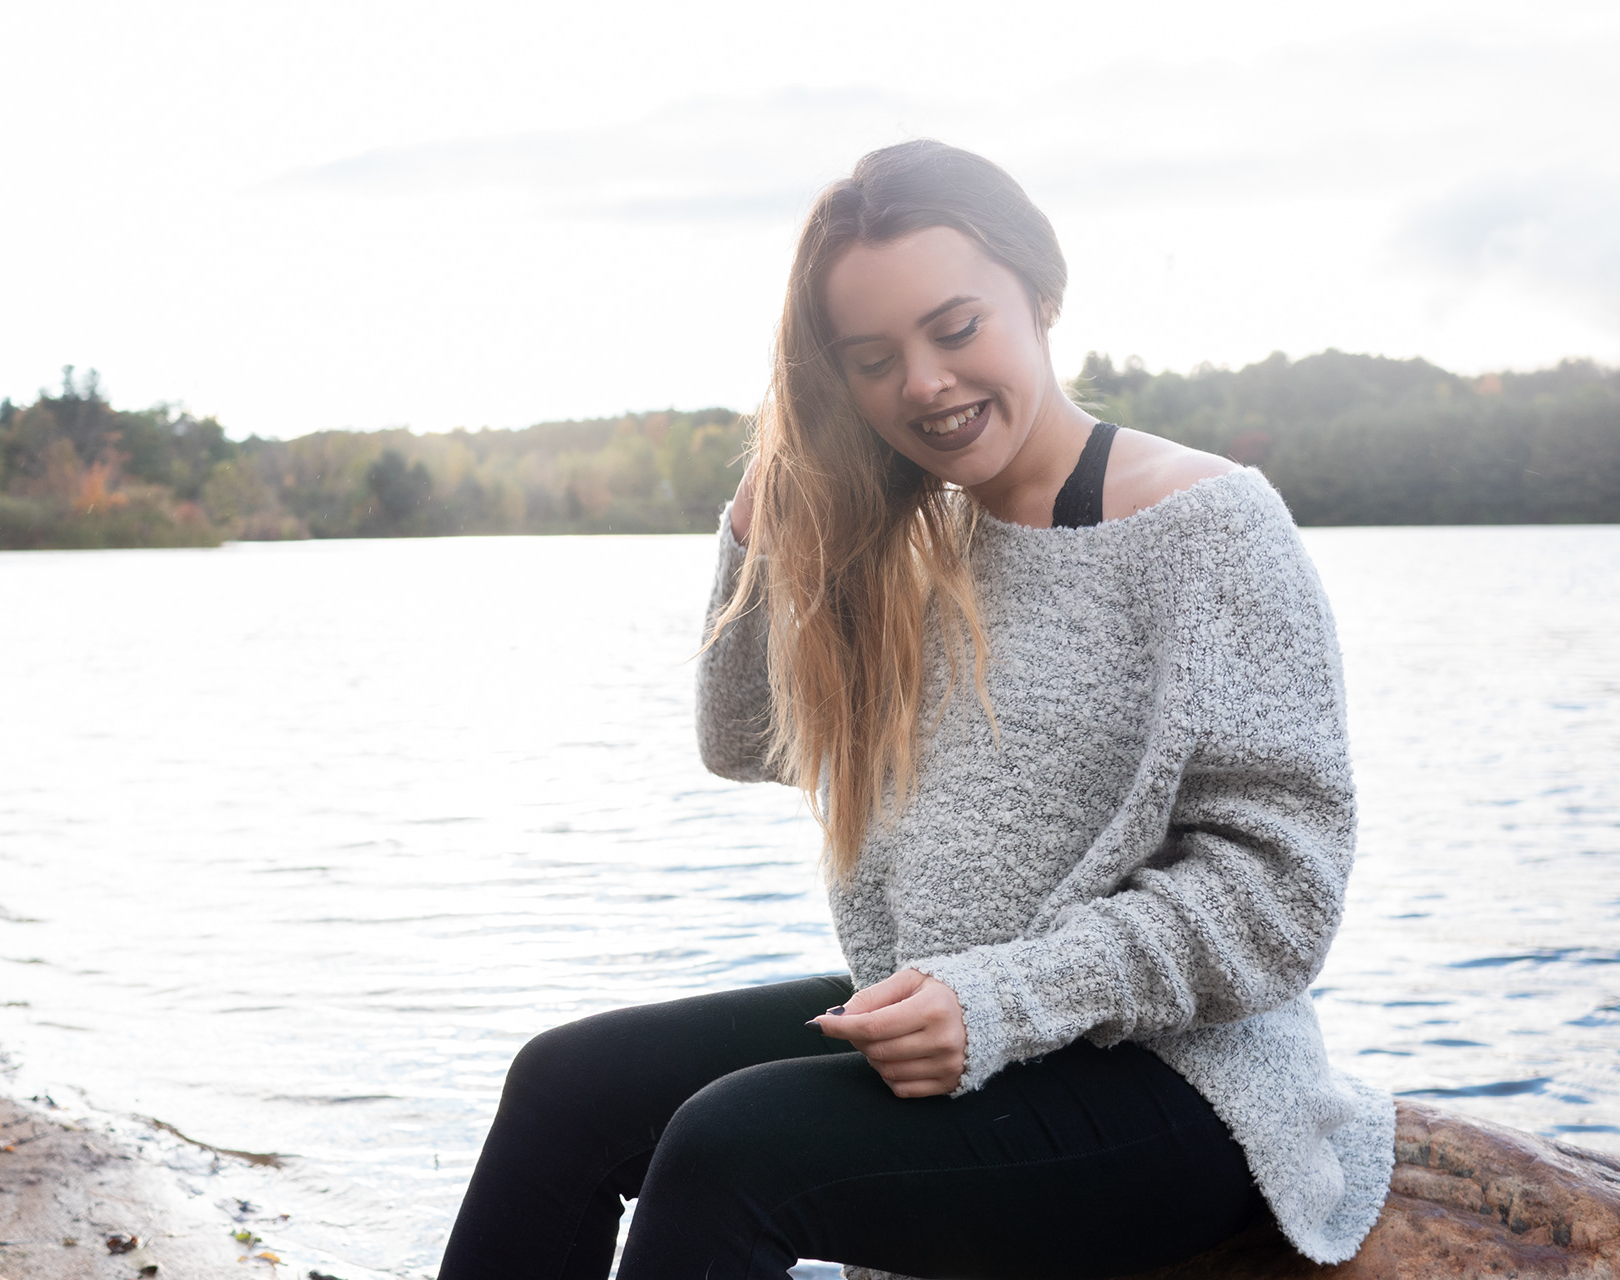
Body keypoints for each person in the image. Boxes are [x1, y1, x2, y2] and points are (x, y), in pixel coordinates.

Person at [437, 140, 1394, 1280]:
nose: (925, 383)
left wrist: (998, 999)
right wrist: (764, 528)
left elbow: (1279, 892)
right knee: (566, 1086)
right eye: (873, 359)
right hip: (953, 1026)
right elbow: (742, 741)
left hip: (1178, 1083)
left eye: (956, 328)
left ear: (1040, 294)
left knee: (731, 1151)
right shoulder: (910, 536)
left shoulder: (1207, 526)